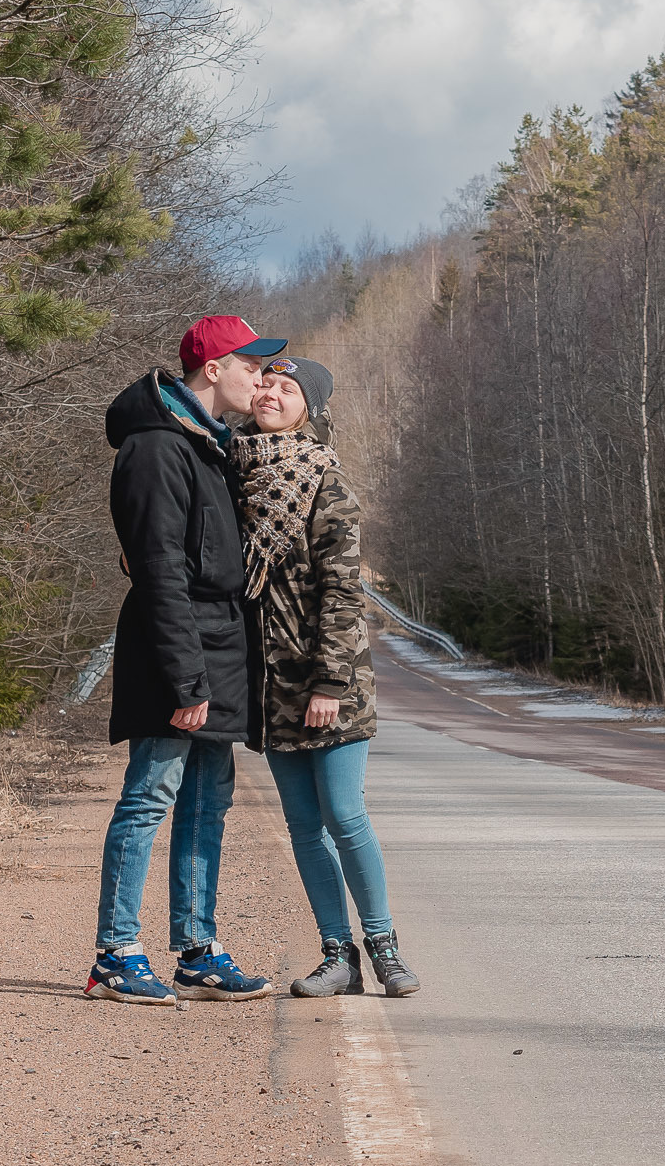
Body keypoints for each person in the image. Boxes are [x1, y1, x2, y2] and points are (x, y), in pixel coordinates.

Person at [87, 316, 287, 1006]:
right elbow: (159, 571)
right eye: (251, 365)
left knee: (207, 802)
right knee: (150, 797)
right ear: (213, 369)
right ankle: (116, 955)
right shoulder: (154, 447)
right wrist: (185, 678)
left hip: (221, 643)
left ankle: (197, 951)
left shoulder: (212, 444)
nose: (261, 378)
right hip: (176, 647)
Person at [234, 358, 419, 997]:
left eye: (287, 389)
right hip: (271, 685)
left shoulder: (323, 480)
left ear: (309, 408)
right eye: (266, 384)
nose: (271, 394)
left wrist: (329, 684)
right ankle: (338, 956)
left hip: (330, 683)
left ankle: (385, 948)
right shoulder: (234, 472)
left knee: (344, 814)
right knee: (303, 827)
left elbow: (343, 593)